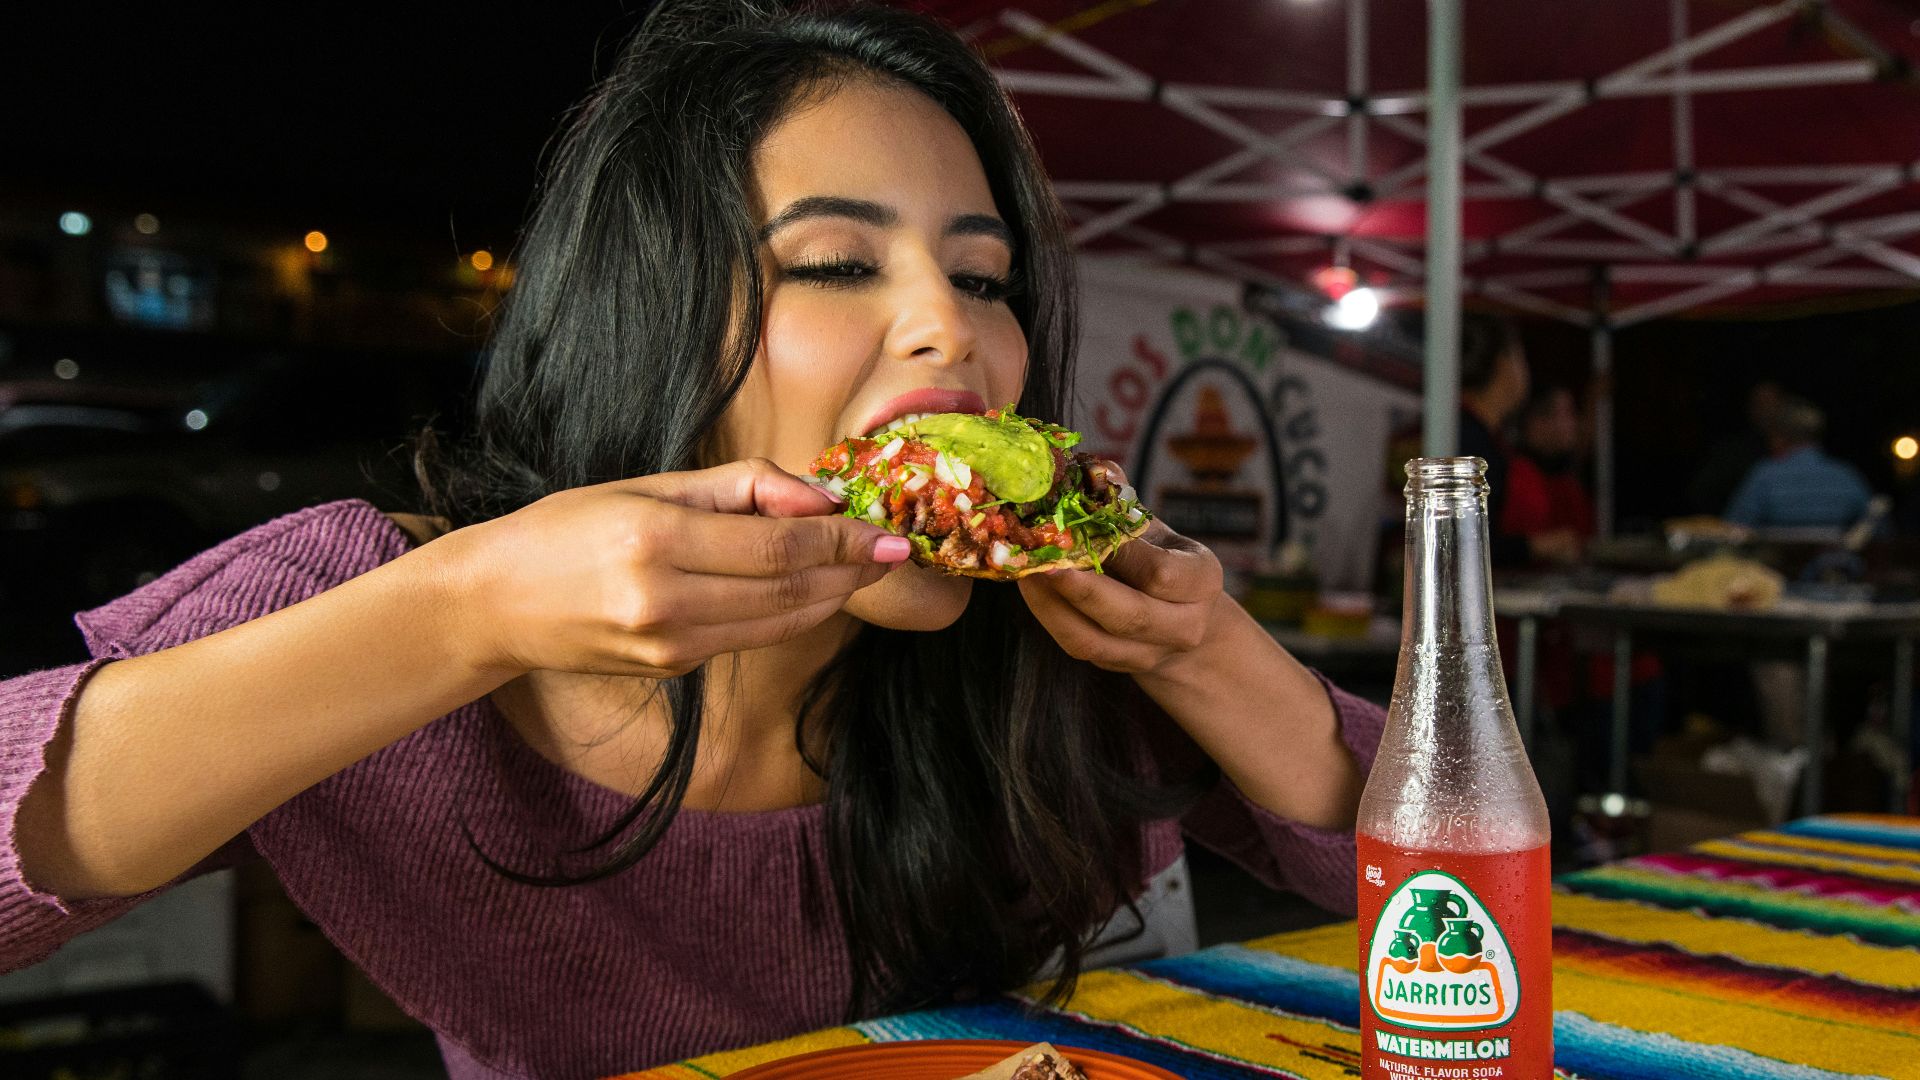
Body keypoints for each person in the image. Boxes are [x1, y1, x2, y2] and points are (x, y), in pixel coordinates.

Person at [0, 3, 1383, 1077]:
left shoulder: (1063, 648)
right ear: (649, 316)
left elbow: (1474, 926)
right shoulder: (388, 595)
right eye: (838, 263)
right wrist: (459, 617)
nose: (951, 329)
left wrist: (1208, 652)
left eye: (983, 278)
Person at [1454, 314, 1580, 567]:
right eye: (1521, 358)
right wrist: (1536, 546)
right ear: (1504, 364)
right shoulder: (1468, 439)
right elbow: (1462, 542)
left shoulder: (1489, 437)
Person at [1724, 396, 1873, 529]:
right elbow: (1878, 531)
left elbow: (1734, 531)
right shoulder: (1847, 476)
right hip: (1837, 559)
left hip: (1776, 560)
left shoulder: (1765, 476)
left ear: (1778, 438)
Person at [1502, 385, 1595, 549]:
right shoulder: (1520, 476)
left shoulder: (1565, 476)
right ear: (1538, 422)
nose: (1574, 423)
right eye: (1567, 413)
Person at [1687, 379, 1782, 517]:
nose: (1766, 411)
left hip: (1788, 532)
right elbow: (1701, 493)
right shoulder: (1732, 452)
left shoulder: (1797, 449)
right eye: (1760, 404)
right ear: (1750, 408)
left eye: (1772, 403)